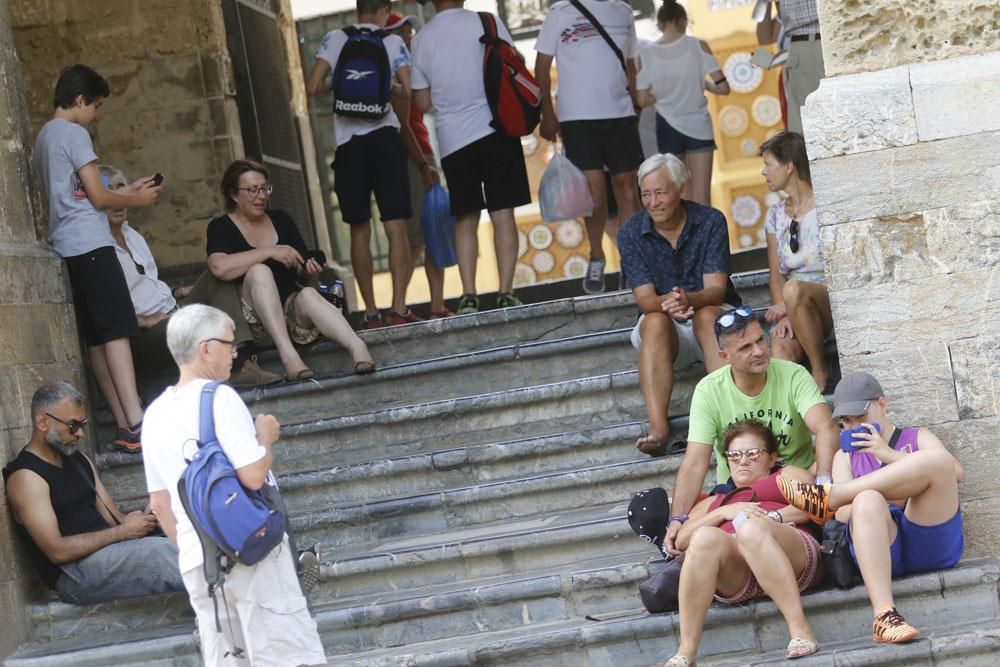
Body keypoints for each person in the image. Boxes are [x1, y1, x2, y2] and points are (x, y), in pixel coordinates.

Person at [142, 305, 326, 665]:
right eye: (230, 343)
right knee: (285, 654)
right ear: (205, 348)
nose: (235, 353)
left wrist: (197, 547)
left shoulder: (154, 415)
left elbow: (160, 504)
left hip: (201, 565)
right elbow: (253, 475)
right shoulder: (219, 397)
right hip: (251, 551)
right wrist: (265, 437)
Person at [778, 372, 965, 645]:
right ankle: (884, 615)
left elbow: (955, 472)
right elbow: (843, 515)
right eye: (846, 421)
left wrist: (888, 456)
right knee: (866, 500)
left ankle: (833, 495)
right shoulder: (845, 457)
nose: (854, 426)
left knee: (937, 462)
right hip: (879, 547)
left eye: (860, 417)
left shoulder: (916, 437)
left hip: (929, 541)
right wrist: (894, 491)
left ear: (882, 404)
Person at [32, 64, 162, 453]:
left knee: (96, 338)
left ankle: (123, 426)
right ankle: (136, 420)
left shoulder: (44, 137)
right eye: (96, 105)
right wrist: (135, 199)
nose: (97, 115)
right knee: (118, 331)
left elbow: (80, 192)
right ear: (79, 99)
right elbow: (99, 197)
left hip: (66, 245)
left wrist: (128, 190)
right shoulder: (75, 132)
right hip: (91, 242)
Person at [664, 306, 839, 555]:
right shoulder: (709, 390)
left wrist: (822, 481)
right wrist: (677, 520)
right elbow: (694, 462)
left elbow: (826, 427)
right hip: (739, 497)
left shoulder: (793, 375)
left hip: (794, 489)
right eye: (745, 347)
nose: (758, 351)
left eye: (760, 341)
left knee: (842, 460)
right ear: (724, 356)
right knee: (656, 508)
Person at [97, 164, 282, 388]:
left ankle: (242, 363)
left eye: (122, 188)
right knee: (193, 322)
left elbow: (148, 282)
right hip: (142, 336)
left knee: (218, 276)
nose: (120, 198)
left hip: (171, 310)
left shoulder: (133, 235)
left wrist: (176, 293)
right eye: (111, 191)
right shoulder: (96, 249)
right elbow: (101, 315)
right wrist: (145, 320)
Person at [2, 382, 184, 604]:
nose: (80, 433)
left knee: (186, 526)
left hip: (110, 552)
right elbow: (55, 551)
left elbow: (114, 519)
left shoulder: (77, 460)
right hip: (74, 575)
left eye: (82, 424)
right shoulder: (27, 477)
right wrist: (122, 533)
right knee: (162, 553)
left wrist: (146, 516)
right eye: (72, 425)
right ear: (43, 421)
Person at [662, 420, 821, 665]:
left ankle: (800, 630)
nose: (742, 461)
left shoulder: (786, 476)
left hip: (791, 552)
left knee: (750, 529)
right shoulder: (715, 501)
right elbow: (681, 540)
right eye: (734, 455)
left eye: (753, 454)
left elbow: (817, 507)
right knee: (703, 537)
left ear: (772, 457)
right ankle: (687, 650)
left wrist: (770, 518)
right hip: (738, 573)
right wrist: (722, 513)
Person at [617, 154, 742, 456]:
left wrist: (690, 300)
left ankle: (732, 420)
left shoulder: (710, 221)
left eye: (660, 192)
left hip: (711, 317)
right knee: (655, 321)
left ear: (680, 189)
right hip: (664, 327)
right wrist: (670, 304)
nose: (653, 202)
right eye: (646, 194)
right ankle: (659, 429)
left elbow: (716, 289)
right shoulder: (631, 232)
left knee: (706, 316)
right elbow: (645, 300)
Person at [411, 0, 531, 314]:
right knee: (502, 213)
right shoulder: (487, 22)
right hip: (498, 130)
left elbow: (422, 102)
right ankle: (506, 291)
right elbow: (514, 62)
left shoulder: (422, 39)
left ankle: (468, 295)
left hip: (454, 141)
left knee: (466, 217)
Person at [306, 0, 420, 329]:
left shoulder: (335, 38)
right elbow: (408, 93)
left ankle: (370, 313)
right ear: (385, 11)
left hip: (348, 145)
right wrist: (385, 87)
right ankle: (398, 307)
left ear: (357, 11)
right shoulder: (392, 41)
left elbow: (312, 87)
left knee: (359, 227)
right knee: (395, 223)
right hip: (385, 138)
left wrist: (340, 83)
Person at [206, 159, 375, 381]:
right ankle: (289, 357)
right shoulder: (221, 227)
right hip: (252, 319)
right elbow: (219, 267)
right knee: (259, 271)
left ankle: (357, 347)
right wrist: (269, 251)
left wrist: (309, 272)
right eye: (252, 190)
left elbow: (300, 269)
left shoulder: (281, 219)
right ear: (234, 195)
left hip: (291, 312)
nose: (261, 195)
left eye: (265, 188)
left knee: (308, 294)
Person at [535, 0, 643, 294]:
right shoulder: (559, 12)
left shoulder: (623, 11)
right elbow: (541, 67)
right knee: (594, 192)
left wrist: (636, 101)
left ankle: (630, 261)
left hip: (620, 113)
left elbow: (632, 64)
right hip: (577, 118)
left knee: (628, 190)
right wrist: (547, 113)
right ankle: (596, 255)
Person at [385, 12, 453, 319]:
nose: (410, 38)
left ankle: (437, 304)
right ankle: (397, 306)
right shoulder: (395, 76)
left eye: (410, 32)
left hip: (425, 155)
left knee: (433, 232)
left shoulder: (411, 72)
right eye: (403, 33)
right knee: (415, 238)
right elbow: (403, 126)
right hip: (414, 159)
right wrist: (423, 164)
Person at [635, 0, 730, 207]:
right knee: (703, 195)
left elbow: (642, 100)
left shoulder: (646, 54)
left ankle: (683, 239)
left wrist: (659, 95)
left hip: (667, 127)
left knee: (677, 196)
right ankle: (706, 239)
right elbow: (724, 88)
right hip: (699, 125)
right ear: (683, 21)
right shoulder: (698, 45)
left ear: (659, 24)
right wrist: (703, 83)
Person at [759, 131, 832, 390]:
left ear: (789, 166)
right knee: (779, 347)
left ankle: (819, 371)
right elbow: (776, 275)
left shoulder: (827, 205)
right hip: (793, 301)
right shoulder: (775, 215)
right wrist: (786, 310)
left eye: (768, 164)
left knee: (794, 289)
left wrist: (791, 300)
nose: (763, 172)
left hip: (829, 298)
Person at [756, 0, 824, 135]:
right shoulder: (787, 15)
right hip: (793, 70)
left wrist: (762, 59)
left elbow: (782, 54)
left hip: (803, 62)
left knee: (810, 123)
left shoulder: (801, 16)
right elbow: (764, 38)